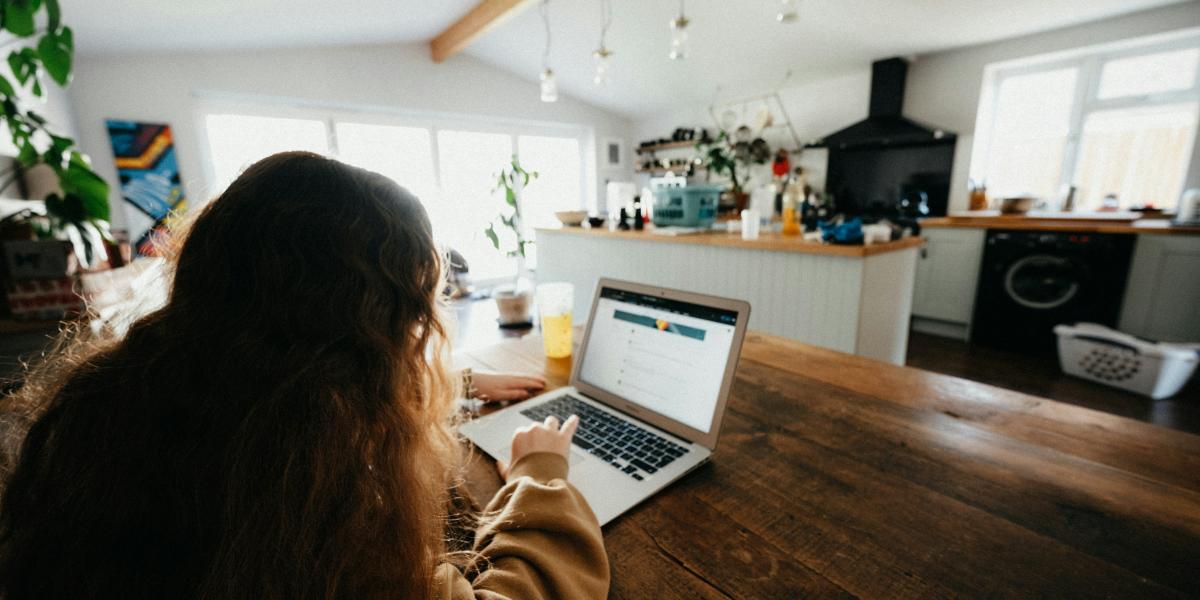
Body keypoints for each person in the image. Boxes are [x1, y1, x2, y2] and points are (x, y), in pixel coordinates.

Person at [0, 152, 609, 599]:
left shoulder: (117, 406)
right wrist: (540, 475)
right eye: (410, 313)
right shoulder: (309, 506)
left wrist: (461, 386)